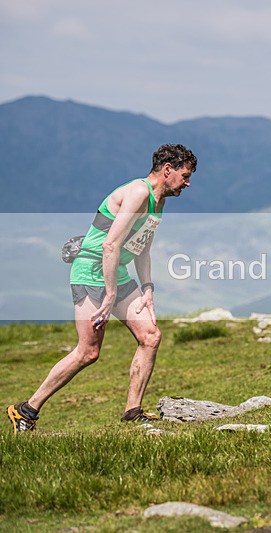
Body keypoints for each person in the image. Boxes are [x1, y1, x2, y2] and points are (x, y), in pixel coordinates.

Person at [6, 144, 197, 433]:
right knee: (88, 352)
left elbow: (142, 249)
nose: (187, 182)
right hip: (91, 273)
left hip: (116, 273)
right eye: (184, 175)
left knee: (151, 335)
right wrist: (109, 295)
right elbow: (110, 245)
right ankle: (26, 410)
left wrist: (147, 288)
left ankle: (132, 411)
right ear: (167, 170)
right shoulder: (138, 192)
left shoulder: (159, 202)